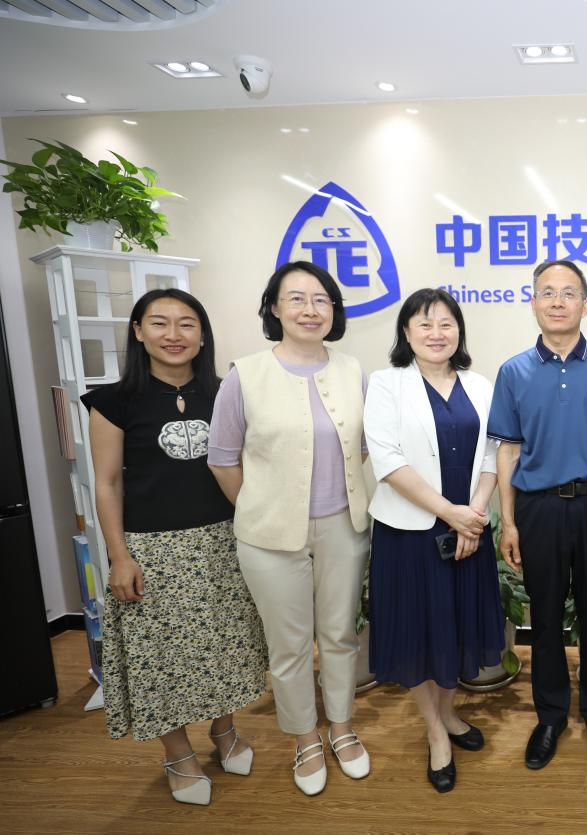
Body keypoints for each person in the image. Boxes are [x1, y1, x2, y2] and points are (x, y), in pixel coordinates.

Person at [84, 289, 267, 806]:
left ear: (202, 335)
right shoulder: (113, 402)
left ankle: (225, 730)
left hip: (224, 541)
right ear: (138, 331)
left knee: (226, 646)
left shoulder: (226, 393)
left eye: (186, 324)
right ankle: (177, 753)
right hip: (151, 551)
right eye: (159, 323)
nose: (173, 335)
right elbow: (107, 484)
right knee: (159, 659)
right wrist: (119, 557)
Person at [208, 261, 371, 796]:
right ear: (274, 308)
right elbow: (222, 460)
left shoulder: (352, 370)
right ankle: (305, 738)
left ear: (334, 311)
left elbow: (361, 449)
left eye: (321, 299)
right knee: (289, 646)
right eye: (296, 298)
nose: (310, 309)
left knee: (340, 635)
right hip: (269, 537)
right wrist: (261, 508)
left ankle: (341, 728)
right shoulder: (245, 374)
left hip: (344, 525)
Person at [487, 259, 587, 771]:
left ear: (586, 304)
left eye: (569, 293)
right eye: (548, 293)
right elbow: (508, 451)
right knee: (546, 618)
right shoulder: (513, 371)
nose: (558, 302)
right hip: (538, 509)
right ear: (533, 302)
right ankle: (550, 717)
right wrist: (509, 522)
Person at [363, 288, 503, 794]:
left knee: (455, 628)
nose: (436, 333)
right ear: (406, 332)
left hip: (469, 530)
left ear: (459, 331)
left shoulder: (480, 385)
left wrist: (474, 516)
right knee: (421, 634)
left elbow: (493, 454)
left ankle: (450, 714)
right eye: (424, 324)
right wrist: (451, 515)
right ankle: (435, 731)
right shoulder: (386, 384)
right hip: (410, 535)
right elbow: (387, 460)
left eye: (446, 323)